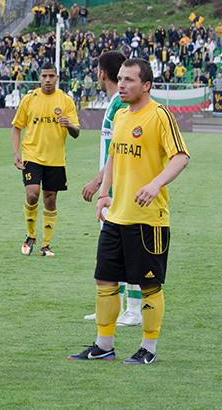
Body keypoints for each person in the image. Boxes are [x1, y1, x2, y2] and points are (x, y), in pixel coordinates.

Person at [69, 58, 189, 365]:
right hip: (116, 216)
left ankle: (149, 349)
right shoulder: (121, 115)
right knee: (105, 280)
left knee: (149, 284)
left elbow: (180, 157)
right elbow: (113, 156)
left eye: (129, 80)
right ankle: (104, 346)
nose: (121, 84)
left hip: (148, 219)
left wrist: (155, 184)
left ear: (146, 85)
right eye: (120, 78)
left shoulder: (160, 115)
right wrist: (104, 194)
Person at [81, 51, 142, 327]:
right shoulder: (115, 102)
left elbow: (119, 149)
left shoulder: (120, 103)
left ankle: (134, 309)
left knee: (125, 247)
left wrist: (98, 182)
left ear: (101, 73)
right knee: (113, 249)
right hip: (113, 185)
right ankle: (112, 306)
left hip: (121, 186)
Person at [12, 61, 80, 257]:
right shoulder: (29, 99)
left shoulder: (66, 100)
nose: (48, 80)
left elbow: (76, 132)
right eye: (44, 76)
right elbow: (17, 127)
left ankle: (46, 245)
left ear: (57, 77)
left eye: (51, 76)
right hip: (31, 155)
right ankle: (30, 235)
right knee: (32, 194)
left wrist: (69, 125)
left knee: (50, 199)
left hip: (55, 158)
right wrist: (16, 153)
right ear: (39, 77)